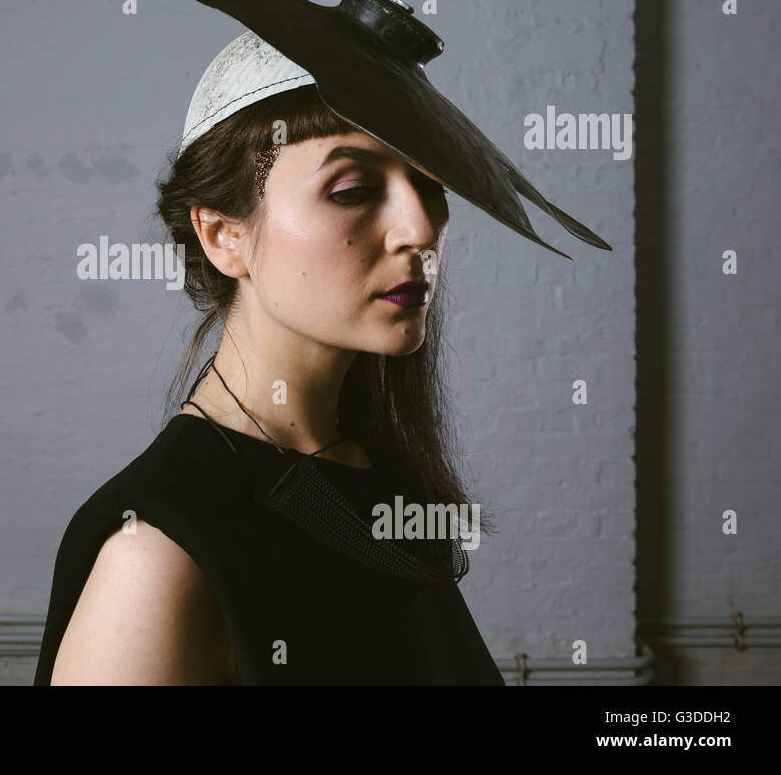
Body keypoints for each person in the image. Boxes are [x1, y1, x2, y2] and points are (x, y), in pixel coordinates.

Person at [34, 35, 505, 685]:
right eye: (352, 188)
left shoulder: (371, 470)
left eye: (429, 183)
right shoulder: (156, 558)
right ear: (224, 234)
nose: (420, 228)